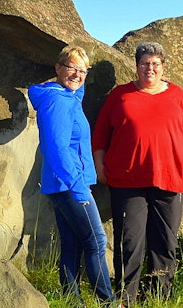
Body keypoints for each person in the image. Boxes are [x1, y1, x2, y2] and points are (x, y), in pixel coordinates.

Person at [91, 41, 183, 305]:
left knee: (165, 242)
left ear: (163, 66)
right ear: (136, 66)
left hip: (169, 179)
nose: (149, 68)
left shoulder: (178, 95)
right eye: (144, 63)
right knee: (129, 241)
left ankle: (159, 297)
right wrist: (99, 165)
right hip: (127, 180)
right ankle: (126, 298)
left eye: (155, 63)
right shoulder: (120, 95)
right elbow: (100, 135)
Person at [28, 45, 115, 305]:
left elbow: (77, 87)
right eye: (71, 67)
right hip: (70, 185)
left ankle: (71, 301)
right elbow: (56, 149)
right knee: (96, 241)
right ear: (57, 68)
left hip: (63, 184)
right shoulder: (57, 101)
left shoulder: (68, 97)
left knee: (72, 245)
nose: (77, 74)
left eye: (83, 70)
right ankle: (107, 302)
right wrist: (78, 188)